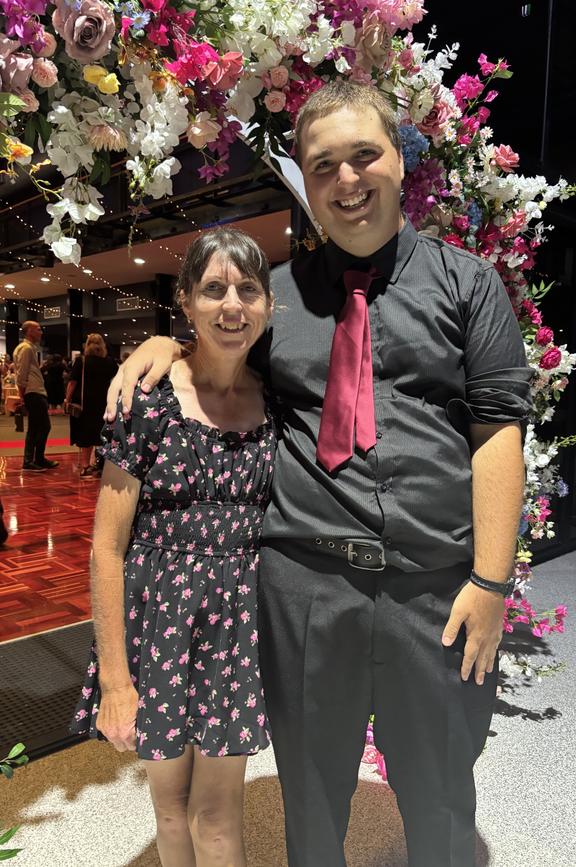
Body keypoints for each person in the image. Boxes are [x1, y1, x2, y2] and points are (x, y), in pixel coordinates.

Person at [107, 81, 533, 867]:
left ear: (399, 162)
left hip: (434, 592)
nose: (346, 179)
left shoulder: (469, 285)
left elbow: (496, 432)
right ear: (305, 178)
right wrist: (162, 347)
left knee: (440, 787)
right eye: (323, 163)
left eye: (364, 154)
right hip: (304, 590)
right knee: (309, 794)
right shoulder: (280, 302)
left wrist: (492, 581)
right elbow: (215, 359)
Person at [72, 227, 275, 867]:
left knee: (217, 816)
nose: (232, 306)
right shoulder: (148, 401)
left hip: (238, 626)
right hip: (158, 621)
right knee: (170, 809)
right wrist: (114, 677)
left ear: (269, 304)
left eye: (248, 289)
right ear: (185, 301)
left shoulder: (278, 399)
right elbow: (107, 547)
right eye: (213, 290)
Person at [64, 335, 119, 478]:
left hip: (84, 404)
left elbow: (72, 382)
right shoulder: (110, 362)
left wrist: (67, 399)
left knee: (85, 435)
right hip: (104, 403)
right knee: (102, 435)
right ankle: (101, 465)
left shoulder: (81, 361)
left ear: (86, 345)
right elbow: (118, 379)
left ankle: (85, 466)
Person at [13, 321, 59, 472]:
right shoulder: (26, 348)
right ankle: (31, 460)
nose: (41, 332)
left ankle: (35, 459)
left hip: (34, 392)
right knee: (43, 427)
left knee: (36, 427)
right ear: (30, 332)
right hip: (33, 392)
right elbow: (21, 374)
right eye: (38, 329)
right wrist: (21, 396)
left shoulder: (28, 348)